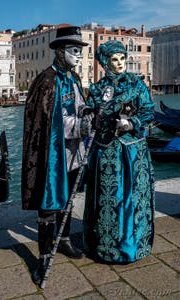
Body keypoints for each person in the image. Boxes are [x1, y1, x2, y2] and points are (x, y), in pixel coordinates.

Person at [21, 25, 93, 285]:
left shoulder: (73, 78)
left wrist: (88, 113)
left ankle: (63, 240)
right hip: (51, 155)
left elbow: (78, 106)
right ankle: (43, 254)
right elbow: (51, 123)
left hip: (73, 152)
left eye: (80, 51)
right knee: (49, 202)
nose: (78, 56)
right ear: (61, 51)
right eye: (74, 51)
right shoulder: (47, 82)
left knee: (69, 197)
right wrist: (82, 126)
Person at [83, 40, 155, 264]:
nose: (120, 63)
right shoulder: (96, 89)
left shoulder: (137, 85)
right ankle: (105, 246)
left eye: (122, 58)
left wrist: (131, 123)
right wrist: (92, 118)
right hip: (106, 152)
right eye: (114, 59)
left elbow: (148, 111)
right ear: (105, 62)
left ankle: (133, 246)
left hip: (133, 151)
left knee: (133, 197)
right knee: (108, 198)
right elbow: (91, 114)